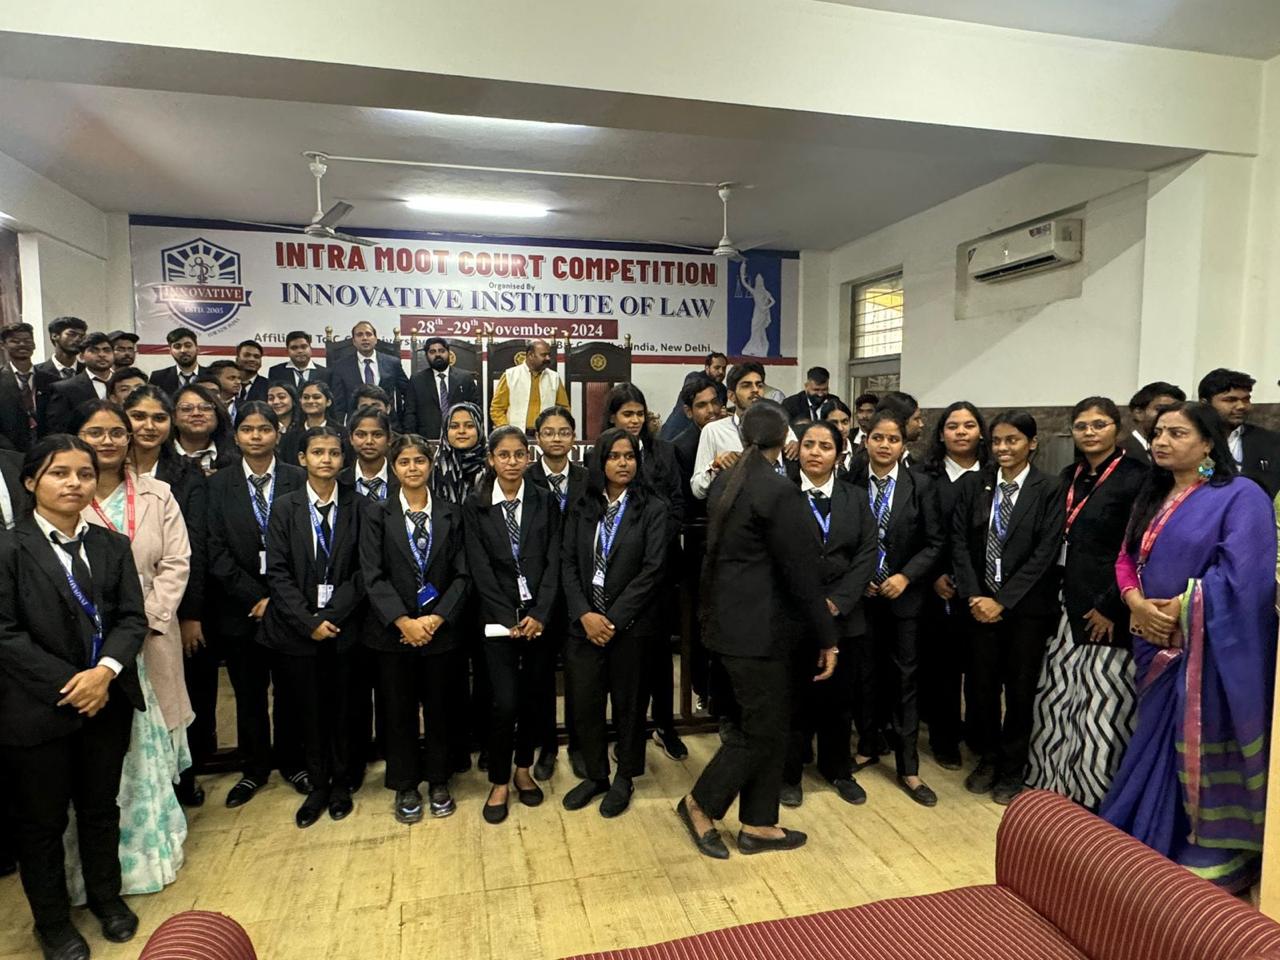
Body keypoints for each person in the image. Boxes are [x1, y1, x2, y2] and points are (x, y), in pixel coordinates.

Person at [1102, 402, 1277, 892]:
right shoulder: (1154, 493)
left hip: (1205, 652)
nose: (1161, 441)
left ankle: (1204, 845)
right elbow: (1127, 558)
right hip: (1152, 644)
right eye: (1158, 432)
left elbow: (1245, 577)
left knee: (1194, 741)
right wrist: (1136, 604)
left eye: (1177, 433)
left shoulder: (1240, 496)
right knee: (1152, 740)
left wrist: (1182, 610)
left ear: (1207, 443)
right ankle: (1146, 833)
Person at [0, 436, 149, 960]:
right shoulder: (8, 548)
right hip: (37, 709)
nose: (74, 483)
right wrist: (73, 683)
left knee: (99, 808)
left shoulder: (113, 546)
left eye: (84, 474)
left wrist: (104, 673)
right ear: (31, 482)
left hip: (105, 701)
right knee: (41, 824)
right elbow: (5, 633)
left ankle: (107, 897)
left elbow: (131, 618)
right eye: (59, 473)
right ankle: (53, 923)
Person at [678, 402, 837, 859]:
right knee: (761, 731)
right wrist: (828, 637)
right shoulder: (778, 490)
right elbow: (801, 574)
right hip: (759, 632)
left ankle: (759, 823)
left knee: (769, 726)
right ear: (785, 438)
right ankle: (700, 803)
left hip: (730, 626)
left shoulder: (728, 480)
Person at [69, 401, 192, 900]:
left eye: (116, 432)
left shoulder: (157, 493)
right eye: (95, 432)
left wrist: (144, 623)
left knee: (150, 743)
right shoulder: (66, 496)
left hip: (151, 635)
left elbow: (177, 561)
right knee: (97, 757)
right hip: (84, 644)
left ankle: (152, 849)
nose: (108, 441)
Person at [1026, 397, 1145, 810]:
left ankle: (1094, 794)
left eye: (1099, 424)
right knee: (1058, 693)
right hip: (1064, 598)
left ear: (1117, 428)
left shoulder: (1136, 477)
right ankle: (1051, 781)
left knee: (1101, 701)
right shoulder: (1070, 475)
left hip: (1106, 605)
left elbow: (1136, 550)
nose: (1089, 433)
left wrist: (1111, 605)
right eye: (1081, 426)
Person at [951, 410, 1065, 805]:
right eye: (997, 440)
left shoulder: (1050, 488)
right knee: (981, 688)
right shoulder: (974, 484)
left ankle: (1013, 767)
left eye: (1012, 440)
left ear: (1032, 443)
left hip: (1025, 610)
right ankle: (987, 757)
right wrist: (975, 596)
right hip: (978, 606)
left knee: (1019, 691)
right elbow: (959, 544)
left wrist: (1002, 600)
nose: (1003, 448)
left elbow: (1046, 551)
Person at [360, 433, 470, 823]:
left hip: (441, 632)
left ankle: (439, 779)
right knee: (398, 710)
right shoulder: (376, 514)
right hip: (393, 633)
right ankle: (405, 783)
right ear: (394, 467)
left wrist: (436, 618)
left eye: (419, 461)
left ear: (431, 464)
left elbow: (463, 574)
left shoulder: (452, 513)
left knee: (441, 708)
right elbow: (372, 575)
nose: (412, 468)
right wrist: (404, 621)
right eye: (404, 462)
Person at [205, 402, 310, 808]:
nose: (256, 436)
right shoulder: (218, 484)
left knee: (290, 690)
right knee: (248, 693)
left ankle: (292, 761)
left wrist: (280, 599)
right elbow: (214, 549)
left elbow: (310, 545)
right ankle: (254, 768)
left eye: (264, 428)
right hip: (241, 608)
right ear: (236, 435)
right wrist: (255, 596)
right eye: (247, 429)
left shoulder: (298, 478)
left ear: (277, 433)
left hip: (291, 607)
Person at [560, 427, 669, 818]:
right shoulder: (582, 504)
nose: (623, 463)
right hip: (584, 624)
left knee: (629, 704)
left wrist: (613, 619)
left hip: (631, 627)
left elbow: (653, 570)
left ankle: (625, 776)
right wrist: (585, 614)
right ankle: (596, 775)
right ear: (600, 461)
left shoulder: (652, 507)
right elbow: (567, 562)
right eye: (614, 456)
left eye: (630, 456)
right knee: (586, 702)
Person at [261, 425, 365, 828]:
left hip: (343, 627)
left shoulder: (359, 506)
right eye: (318, 452)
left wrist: (332, 616)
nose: (326, 459)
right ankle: (318, 785)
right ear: (302, 458)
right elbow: (278, 572)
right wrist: (309, 621)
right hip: (297, 631)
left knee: (344, 708)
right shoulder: (284, 507)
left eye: (334, 453)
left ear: (343, 459)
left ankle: (342, 783)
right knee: (309, 710)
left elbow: (364, 570)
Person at [464, 427, 562, 824]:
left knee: (533, 698)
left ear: (528, 457)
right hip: (496, 620)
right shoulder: (476, 504)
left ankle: (523, 770)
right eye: (503, 455)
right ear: (491, 459)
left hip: (538, 618)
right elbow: (479, 567)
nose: (511, 461)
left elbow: (555, 559)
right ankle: (499, 780)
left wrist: (539, 613)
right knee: (504, 702)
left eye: (519, 454)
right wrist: (509, 617)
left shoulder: (544, 499)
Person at [847, 410, 943, 806]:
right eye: (878, 438)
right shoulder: (850, 482)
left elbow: (935, 543)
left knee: (904, 679)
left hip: (905, 596)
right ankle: (868, 745)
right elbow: (843, 539)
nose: (885, 445)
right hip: (863, 596)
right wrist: (859, 578)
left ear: (904, 445)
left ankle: (908, 767)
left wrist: (905, 576)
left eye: (893, 439)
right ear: (866, 440)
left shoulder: (921, 485)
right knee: (865, 675)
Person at [122, 385, 212, 805]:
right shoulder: (103, 469)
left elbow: (192, 549)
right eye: (139, 416)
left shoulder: (184, 473)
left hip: (171, 607)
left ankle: (183, 779)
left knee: (176, 693)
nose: (149, 426)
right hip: (114, 607)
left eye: (158, 418)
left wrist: (190, 614)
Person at [782, 419, 877, 807]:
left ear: (839, 455)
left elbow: (867, 552)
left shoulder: (855, 497)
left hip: (844, 614)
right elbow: (776, 555)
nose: (815, 453)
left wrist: (838, 601)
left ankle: (837, 769)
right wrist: (809, 603)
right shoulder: (783, 494)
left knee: (839, 699)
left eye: (825, 446)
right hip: (795, 615)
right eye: (808, 444)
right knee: (794, 698)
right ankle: (789, 774)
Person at [601, 383, 687, 761]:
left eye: (639, 413)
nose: (634, 420)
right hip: (617, 571)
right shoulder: (605, 452)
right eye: (627, 414)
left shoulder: (664, 451)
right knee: (623, 660)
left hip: (660, 568)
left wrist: (653, 544)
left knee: (659, 655)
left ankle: (665, 726)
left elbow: (677, 506)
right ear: (612, 418)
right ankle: (625, 733)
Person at [917, 401, 989, 769]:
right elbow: (914, 532)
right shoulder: (924, 476)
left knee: (981, 669)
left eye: (969, 425)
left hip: (985, 589)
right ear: (941, 433)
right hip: (937, 586)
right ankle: (943, 738)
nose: (961, 432)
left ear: (981, 432)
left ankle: (978, 736)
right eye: (952, 426)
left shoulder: (995, 474)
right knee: (941, 669)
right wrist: (933, 575)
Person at [525, 405, 588, 779]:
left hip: (579, 590)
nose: (556, 439)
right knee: (541, 675)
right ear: (537, 438)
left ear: (574, 437)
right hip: (540, 593)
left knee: (579, 676)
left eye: (564, 432)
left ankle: (579, 745)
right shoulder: (525, 477)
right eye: (548, 432)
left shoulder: (587, 478)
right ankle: (546, 746)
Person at [670, 375, 727, 713]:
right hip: (699, 542)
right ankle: (701, 688)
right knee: (698, 621)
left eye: (714, 402)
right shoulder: (681, 446)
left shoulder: (734, 434)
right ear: (688, 411)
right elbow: (685, 501)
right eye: (701, 405)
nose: (710, 410)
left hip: (732, 545)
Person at [691, 362, 796, 500]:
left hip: (776, 503)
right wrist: (715, 466)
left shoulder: (779, 426)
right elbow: (697, 490)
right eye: (746, 386)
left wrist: (798, 447)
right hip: (734, 507)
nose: (755, 390)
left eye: (759, 385)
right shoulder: (714, 431)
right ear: (731, 396)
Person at [1197, 368, 1280, 497]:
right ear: (1204, 404)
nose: (1241, 406)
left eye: (1246, 399)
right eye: (1230, 400)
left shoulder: (1272, 441)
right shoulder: (1189, 440)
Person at [402, 337, 483, 441]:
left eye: (441, 351)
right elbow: (410, 413)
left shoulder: (465, 378)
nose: (438, 355)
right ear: (426, 356)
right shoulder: (417, 380)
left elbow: (476, 409)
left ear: (448, 353)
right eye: (432, 352)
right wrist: (412, 440)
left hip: (460, 436)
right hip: (427, 439)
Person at [329, 321, 409, 421]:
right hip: (356, 424)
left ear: (375, 339)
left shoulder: (392, 363)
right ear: (354, 341)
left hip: (388, 423)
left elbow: (408, 393)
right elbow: (338, 405)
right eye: (359, 335)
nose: (364, 338)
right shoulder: (341, 367)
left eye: (368, 334)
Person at [42, 332, 117, 435]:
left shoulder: (125, 382)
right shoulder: (65, 389)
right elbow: (58, 430)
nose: (101, 355)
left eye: (106, 350)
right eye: (94, 350)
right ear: (81, 356)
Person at [489, 339, 569, 432]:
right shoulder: (510, 375)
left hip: (546, 434)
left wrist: (557, 429)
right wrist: (506, 430)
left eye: (549, 355)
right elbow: (497, 408)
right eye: (543, 355)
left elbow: (564, 408)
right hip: (516, 434)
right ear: (530, 355)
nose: (548, 358)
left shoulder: (554, 377)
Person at [660, 352, 728, 441]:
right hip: (676, 430)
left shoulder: (723, 390)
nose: (721, 372)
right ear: (707, 368)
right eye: (717, 368)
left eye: (724, 368)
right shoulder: (694, 377)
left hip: (701, 435)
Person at [172, 383, 235, 476]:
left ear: (217, 415)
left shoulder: (236, 461)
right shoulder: (158, 455)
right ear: (173, 417)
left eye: (205, 408)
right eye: (186, 409)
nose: (196, 413)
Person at [1122, 381, 1185, 465]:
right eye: (1161, 409)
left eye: (1175, 411)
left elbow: (1202, 471)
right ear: (1139, 413)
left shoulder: (1179, 448)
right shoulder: (1121, 451)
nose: (1169, 416)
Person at [342, 406, 396, 502]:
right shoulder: (339, 481)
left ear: (389, 438)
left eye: (377, 435)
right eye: (361, 435)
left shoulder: (402, 479)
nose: (369, 441)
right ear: (351, 438)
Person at [0, 321, 39, 452]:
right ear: (3, 345)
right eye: (15, 341)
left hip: (47, 450)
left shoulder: (51, 379)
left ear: (34, 344)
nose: (22, 344)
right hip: (8, 452)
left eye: (27, 341)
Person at [148, 327, 208, 397]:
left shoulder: (211, 375)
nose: (183, 350)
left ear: (197, 349)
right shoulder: (158, 377)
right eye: (177, 347)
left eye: (188, 346)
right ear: (170, 351)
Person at [875, 391, 925, 468]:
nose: (921, 424)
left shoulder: (910, 461)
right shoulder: (867, 465)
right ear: (900, 421)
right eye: (916, 419)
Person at [34, 315, 86, 382]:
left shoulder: (89, 371)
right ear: (55, 336)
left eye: (81, 336)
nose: (78, 339)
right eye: (72, 334)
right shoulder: (36, 372)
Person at [266, 380, 305, 464]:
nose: (276, 402)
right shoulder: (264, 428)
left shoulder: (303, 426)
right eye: (271, 398)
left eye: (281, 397)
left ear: (293, 400)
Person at [819, 398, 856, 475]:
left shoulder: (862, 453)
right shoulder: (817, 453)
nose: (840, 428)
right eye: (834, 423)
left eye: (845, 422)